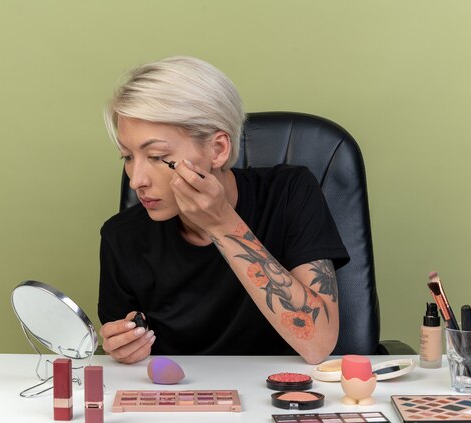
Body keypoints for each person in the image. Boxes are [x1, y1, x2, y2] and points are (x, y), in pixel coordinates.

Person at [98, 56, 349, 365]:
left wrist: (221, 224)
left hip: (277, 395)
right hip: (177, 401)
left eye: (157, 156)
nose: (136, 180)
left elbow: (319, 343)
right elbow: (126, 356)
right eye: (127, 157)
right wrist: (124, 347)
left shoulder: (290, 192)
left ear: (218, 149)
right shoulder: (121, 237)